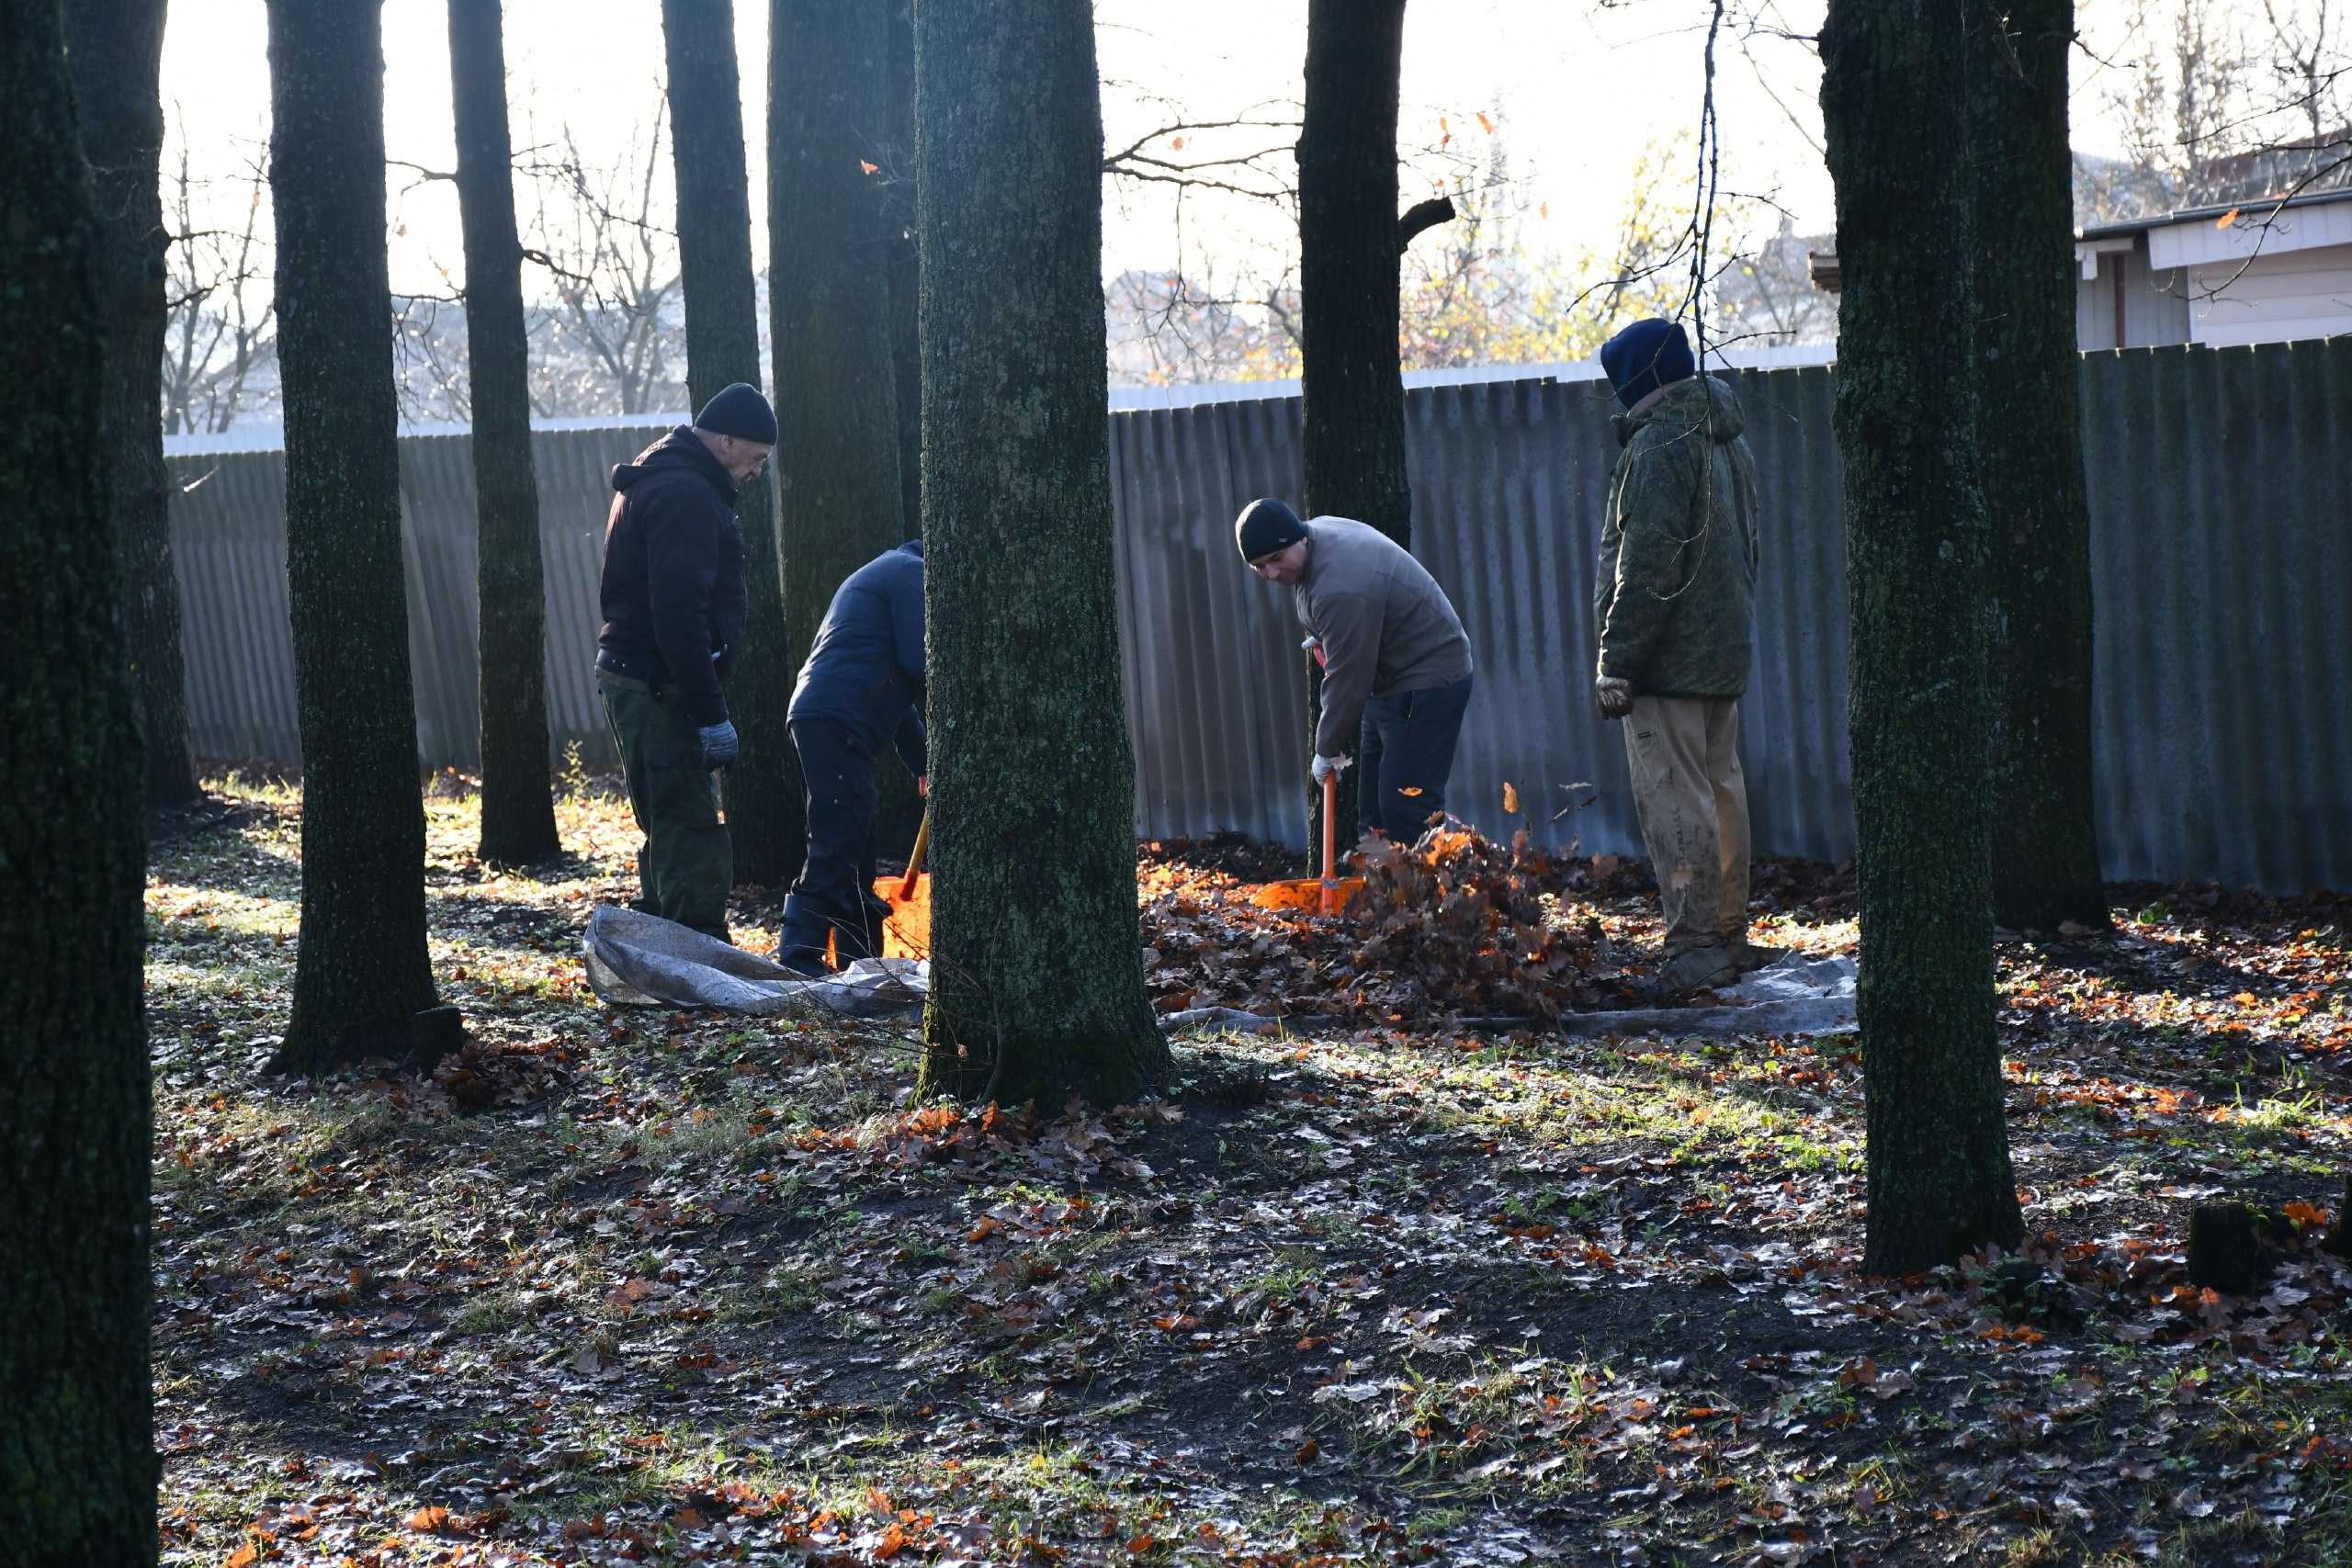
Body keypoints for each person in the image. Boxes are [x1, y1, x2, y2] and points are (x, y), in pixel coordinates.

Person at [1591, 318, 1779, 990]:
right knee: (1722, 789)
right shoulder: (1726, 439)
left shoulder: (1658, 445)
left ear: (1636, 381)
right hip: (1722, 653)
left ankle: (1696, 947)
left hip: (1666, 662)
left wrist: (1617, 662)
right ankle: (1727, 934)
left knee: (1677, 798)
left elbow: (1644, 568)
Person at [594, 382, 775, 942]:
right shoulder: (685, 494)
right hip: (659, 686)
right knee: (689, 822)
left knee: (667, 820)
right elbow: (679, 614)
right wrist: (709, 710)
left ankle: (659, 950)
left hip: (641, 677)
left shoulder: (665, 476)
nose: (756, 472)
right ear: (726, 441)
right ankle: (694, 956)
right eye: (757, 458)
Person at [1237, 500, 1475, 841]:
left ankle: (1432, 893)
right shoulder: (1318, 536)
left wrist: (1325, 747)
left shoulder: (1339, 586)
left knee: (1407, 808)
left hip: (1428, 679)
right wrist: (1325, 636)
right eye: (1259, 567)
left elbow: (1349, 679)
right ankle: (1381, 892)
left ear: (1300, 538)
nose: (1271, 574)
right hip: (1389, 679)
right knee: (1374, 816)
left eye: (1276, 559)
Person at [778, 539, 928, 976]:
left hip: (824, 714)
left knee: (858, 841)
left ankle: (859, 965)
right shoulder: (909, 574)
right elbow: (921, 661)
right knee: (838, 836)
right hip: (835, 717)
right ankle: (798, 959)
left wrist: (922, 764)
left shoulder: (887, 572)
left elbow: (901, 697)